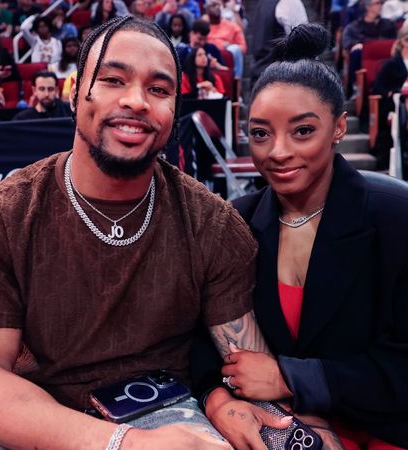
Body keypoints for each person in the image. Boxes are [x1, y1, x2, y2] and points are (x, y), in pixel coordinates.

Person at [0, 16, 288, 450]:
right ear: (76, 93)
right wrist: (122, 443)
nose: (136, 101)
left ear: (175, 108)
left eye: (159, 89)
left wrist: (230, 405)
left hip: (170, 417)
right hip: (33, 418)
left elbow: (242, 364)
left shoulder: (213, 224)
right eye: (113, 79)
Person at [198, 22, 408, 450]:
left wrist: (289, 378)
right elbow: (202, 342)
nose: (277, 151)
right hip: (281, 432)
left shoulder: (396, 216)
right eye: (260, 134)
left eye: (302, 131)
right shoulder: (236, 220)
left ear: (338, 127)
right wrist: (215, 397)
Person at [342, 0, 397, 97]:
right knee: (357, 51)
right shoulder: (354, 27)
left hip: (387, 63)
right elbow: (347, 43)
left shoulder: (388, 25)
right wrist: (358, 45)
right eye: (377, 3)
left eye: (381, 3)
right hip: (364, 63)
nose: (381, 6)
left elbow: (394, 43)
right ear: (368, 7)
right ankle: (356, 87)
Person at [372, 24, 408, 169]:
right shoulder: (391, 64)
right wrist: (395, 92)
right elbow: (378, 88)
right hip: (394, 106)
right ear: (404, 42)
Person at [249, 0, 308, 85]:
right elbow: (304, 44)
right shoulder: (290, 2)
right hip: (283, 79)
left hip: (260, 76)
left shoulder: (262, 4)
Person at [204, 0, 246, 78]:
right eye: (212, 7)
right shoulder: (204, 26)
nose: (214, 9)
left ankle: (237, 84)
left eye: (216, 6)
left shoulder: (232, 26)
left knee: (235, 49)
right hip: (208, 56)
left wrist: (229, 46)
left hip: (226, 57)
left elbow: (242, 48)